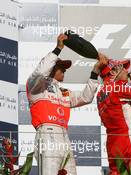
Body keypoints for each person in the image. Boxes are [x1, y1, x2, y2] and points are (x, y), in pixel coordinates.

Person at [26, 34, 107, 175]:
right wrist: (58, 49)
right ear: (51, 69)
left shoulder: (64, 92)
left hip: (64, 136)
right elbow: (40, 72)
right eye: (61, 68)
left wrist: (95, 72)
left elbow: (85, 97)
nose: (64, 71)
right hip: (47, 133)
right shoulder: (36, 87)